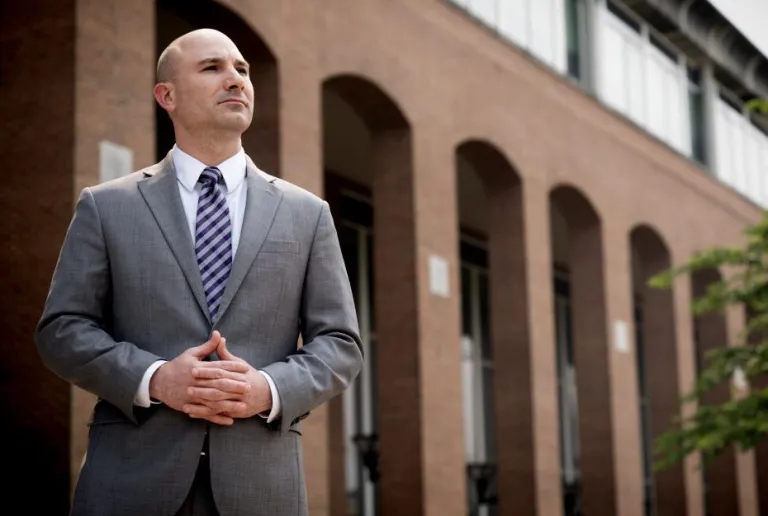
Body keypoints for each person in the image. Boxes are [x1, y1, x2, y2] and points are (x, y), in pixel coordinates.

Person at [35, 28, 363, 516]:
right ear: (166, 95)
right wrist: (155, 379)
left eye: (243, 70)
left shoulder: (307, 214)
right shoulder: (106, 207)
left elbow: (340, 344)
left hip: (261, 488)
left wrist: (267, 390)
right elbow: (62, 330)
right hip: (129, 483)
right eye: (212, 68)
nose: (235, 79)